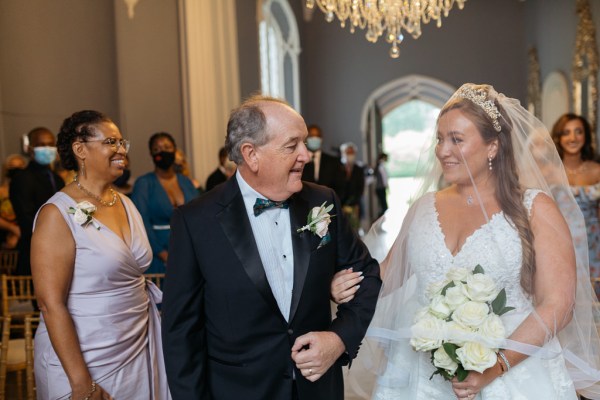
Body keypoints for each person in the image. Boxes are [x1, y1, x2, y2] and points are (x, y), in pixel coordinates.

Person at [334, 84, 600, 399]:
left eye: (456, 140)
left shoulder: (535, 208)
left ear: (493, 147)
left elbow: (559, 303)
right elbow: (389, 274)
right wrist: (346, 284)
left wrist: (497, 364)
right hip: (420, 374)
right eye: (439, 139)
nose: (442, 150)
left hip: (514, 370)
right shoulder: (423, 208)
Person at [161, 95, 382, 400]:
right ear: (251, 154)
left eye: (304, 143)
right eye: (292, 146)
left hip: (317, 389)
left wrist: (338, 338)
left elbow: (368, 275)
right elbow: (181, 333)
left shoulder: (322, 202)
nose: (305, 155)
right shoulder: (196, 221)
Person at [31, 110, 170, 399]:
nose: (121, 150)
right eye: (111, 142)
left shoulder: (127, 204)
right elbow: (50, 304)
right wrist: (81, 382)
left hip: (136, 346)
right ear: (80, 149)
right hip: (84, 358)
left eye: (122, 143)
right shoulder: (56, 214)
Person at [131, 132, 199, 273]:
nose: (162, 151)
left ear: (175, 150)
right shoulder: (144, 183)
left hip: (189, 251)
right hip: (158, 255)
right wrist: (163, 254)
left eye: (167, 147)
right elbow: (141, 223)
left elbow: (199, 215)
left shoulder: (186, 182)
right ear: (151, 155)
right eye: (156, 149)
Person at [551, 114, 600, 296]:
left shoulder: (597, 170)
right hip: (559, 241)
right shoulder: (547, 172)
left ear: (585, 136)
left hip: (593, 244)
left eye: (578, 132)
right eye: (566, 132)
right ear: (559, 137)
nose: (573, 138)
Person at [10, 127, 65, 275]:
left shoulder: (57, 178)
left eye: (50, 144)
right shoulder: (22, 178)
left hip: (60, 248)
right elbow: (26, 217)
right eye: (41, 145)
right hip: (35, 249)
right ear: (30, 149)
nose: (47, 149)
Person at [301, 124, 344, 197]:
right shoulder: (300, 160)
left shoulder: (333, 161)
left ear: (321, 138)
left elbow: (340, 187)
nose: (314, 139)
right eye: (311, 136)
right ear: (305, 138)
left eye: (317, 136)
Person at [0, 154, 27, 249]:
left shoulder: (29, 191)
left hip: (26, 232)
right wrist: (13, 229)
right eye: (12, 166)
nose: (16, 170)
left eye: (20, 167)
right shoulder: (1, 191)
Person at [340, 142, 365, 231]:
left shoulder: (359, 169)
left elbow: (361, 188)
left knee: (354, 229)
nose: (350, 155)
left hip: (355, 205)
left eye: (352, 153)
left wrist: (354, 201)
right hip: (341, 205)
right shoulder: (339, 168)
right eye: (348, 152)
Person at [374, 153, 389, 217]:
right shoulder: (381, 166)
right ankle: (380, 218)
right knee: (384, 206)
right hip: (381, 188)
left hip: (379, 187)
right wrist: (386, 185)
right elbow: (384, 177)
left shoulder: (379, 165)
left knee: (383, 205)